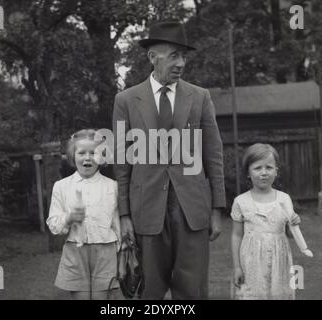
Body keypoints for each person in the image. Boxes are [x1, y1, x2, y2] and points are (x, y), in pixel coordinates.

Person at [112, 21, 226, 299]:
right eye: (174, 55)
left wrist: (216, 208)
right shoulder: (126, 100)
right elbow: (121, 163)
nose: (181, 63)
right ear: (153, 57)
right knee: (149, 291)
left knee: (192, 292)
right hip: (146, 212)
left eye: (184, 56)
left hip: (192, 211)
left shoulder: (200, 97)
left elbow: (213, 154)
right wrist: (124, 214)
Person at [46, 129, 121, 300]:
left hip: (106, 252)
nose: (87, 157)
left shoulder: (112, 187)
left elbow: (117, 223)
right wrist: (69, 217)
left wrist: (122, 247)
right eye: (81, 152)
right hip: (75, 252)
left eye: (93, 152)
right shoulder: (61, 186)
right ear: (73, 156)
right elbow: (54, 223)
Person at [231, 143, 308, 300]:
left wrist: (295, 221)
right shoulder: (240, 201)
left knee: (280, 294)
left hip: (280, 259)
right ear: (248, 172)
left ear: (276, 171)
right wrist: (237, 266)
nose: (264, 172)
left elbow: (290, 230)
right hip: (251, 261)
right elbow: (236, 235)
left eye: (269, 167)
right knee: (253, 294)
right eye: (258, 168)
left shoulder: (284, 198)